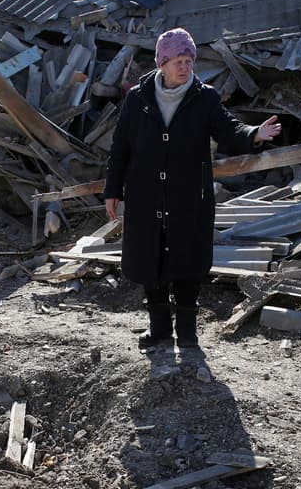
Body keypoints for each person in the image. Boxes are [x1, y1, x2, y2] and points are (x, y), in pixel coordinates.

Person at [103, 28, 281, 349]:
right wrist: (113, 189)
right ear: (162, 63)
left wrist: (254, 133)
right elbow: (120, 148)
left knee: (187, 263)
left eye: (189, 60)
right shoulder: (138, 98)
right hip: (146, 196)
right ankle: (158, 330)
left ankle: (186, 332)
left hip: (189, 197)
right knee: (150, 260)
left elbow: (229, 128)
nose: (185, 67)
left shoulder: (204, 97)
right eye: (178, 61)